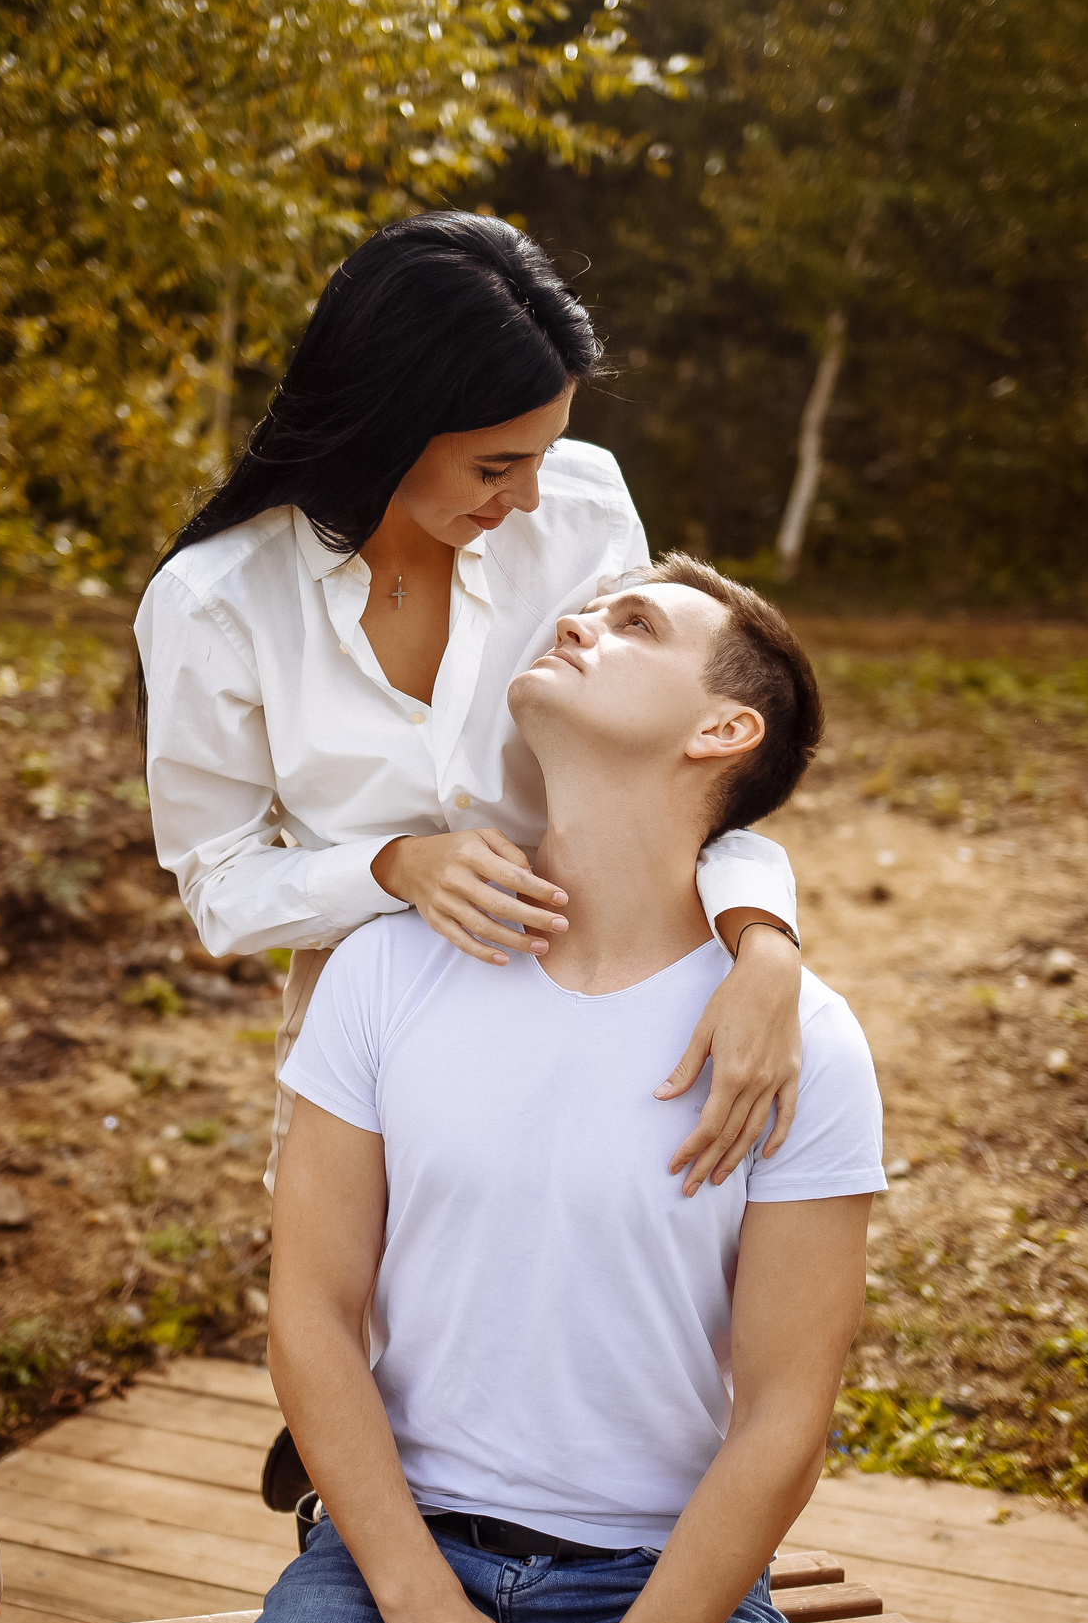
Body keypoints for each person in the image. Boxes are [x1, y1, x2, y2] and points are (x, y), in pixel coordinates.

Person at [226, 560, 885, 1623]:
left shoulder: (798, 1041)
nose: (579, 619)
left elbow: (784, 1415)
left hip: (662, 1580)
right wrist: (423, 1610)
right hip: (396, 1554)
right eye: (589, 607)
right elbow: (312, 1312)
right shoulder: (386, 969)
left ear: (723, 727)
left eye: (632, 622)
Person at [134, 212, 810, 1205]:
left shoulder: (581, 506)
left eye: (545, 450)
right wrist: (396, 865)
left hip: (609, 962)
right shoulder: (216, 601)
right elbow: (222, 886)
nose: (531, 496)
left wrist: (765, 937)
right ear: (385, 425)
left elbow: (680, 750)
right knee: (356, 1314)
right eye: (496, 467)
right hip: (369, 1004)